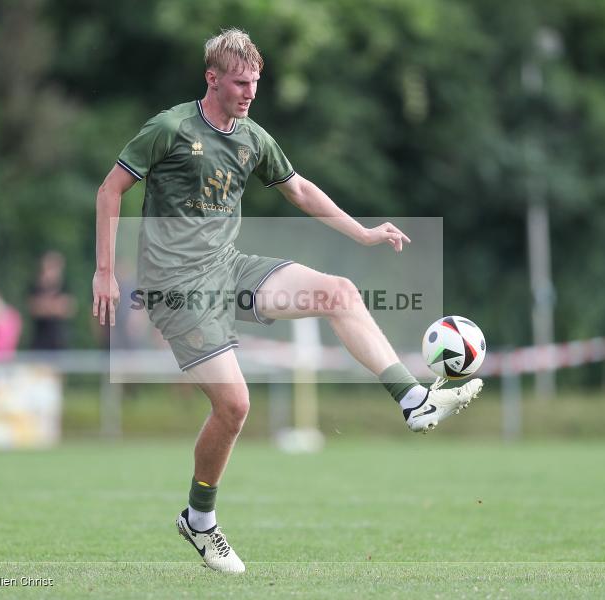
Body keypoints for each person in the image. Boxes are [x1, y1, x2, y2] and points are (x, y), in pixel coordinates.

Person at [91, 29, 483, 574]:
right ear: (213, 79)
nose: (250, 91)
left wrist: (364, 233)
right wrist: (106, 273)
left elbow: (299, 189)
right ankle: (199, 521)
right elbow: (110, 190)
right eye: (240, 82)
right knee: (235, 406)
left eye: (255, 82)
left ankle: (413, 399)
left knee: (339, 292)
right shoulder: (169, 128)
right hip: (177, 289)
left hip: (226, 270)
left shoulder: (253, 137)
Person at [27, 251, 75, 351]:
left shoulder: (65, 286)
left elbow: (68, 309)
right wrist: (54, 306)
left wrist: (45, 306)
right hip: (39, 343)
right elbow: (34, 309)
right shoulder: (36, 287)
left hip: (60, 343)